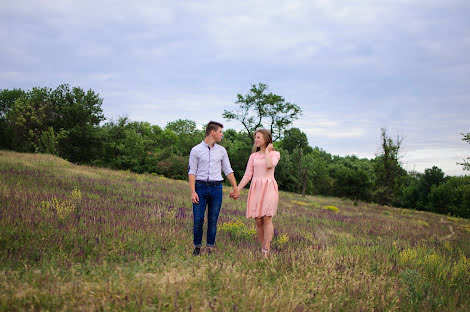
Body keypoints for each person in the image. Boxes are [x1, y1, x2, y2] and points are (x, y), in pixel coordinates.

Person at [188, 121, 239, 256]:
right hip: (200, 187)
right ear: (213, 132)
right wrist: (193, 192)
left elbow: (228, 170)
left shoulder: (222, 151)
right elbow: (192, 172)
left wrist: (235, 188)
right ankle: (197, 248)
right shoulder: (196, 150)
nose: (222, 134)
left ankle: (210, 248)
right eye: (220, 132)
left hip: (216, 188)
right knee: (198, 219)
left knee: (213, 219)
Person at [232, 129, 280, 257]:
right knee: (258, 220)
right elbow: (248, 175)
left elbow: (269, 165)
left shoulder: (275, 154)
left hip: (269, 187)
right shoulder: (253, 156)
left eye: (258, 137)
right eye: (255, 138)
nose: (256, 140)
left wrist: (267, 152)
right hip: (256, 187)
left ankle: (266, 251)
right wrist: (237, 189)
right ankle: (262, 247)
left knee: (267, 217)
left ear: (266, 138)